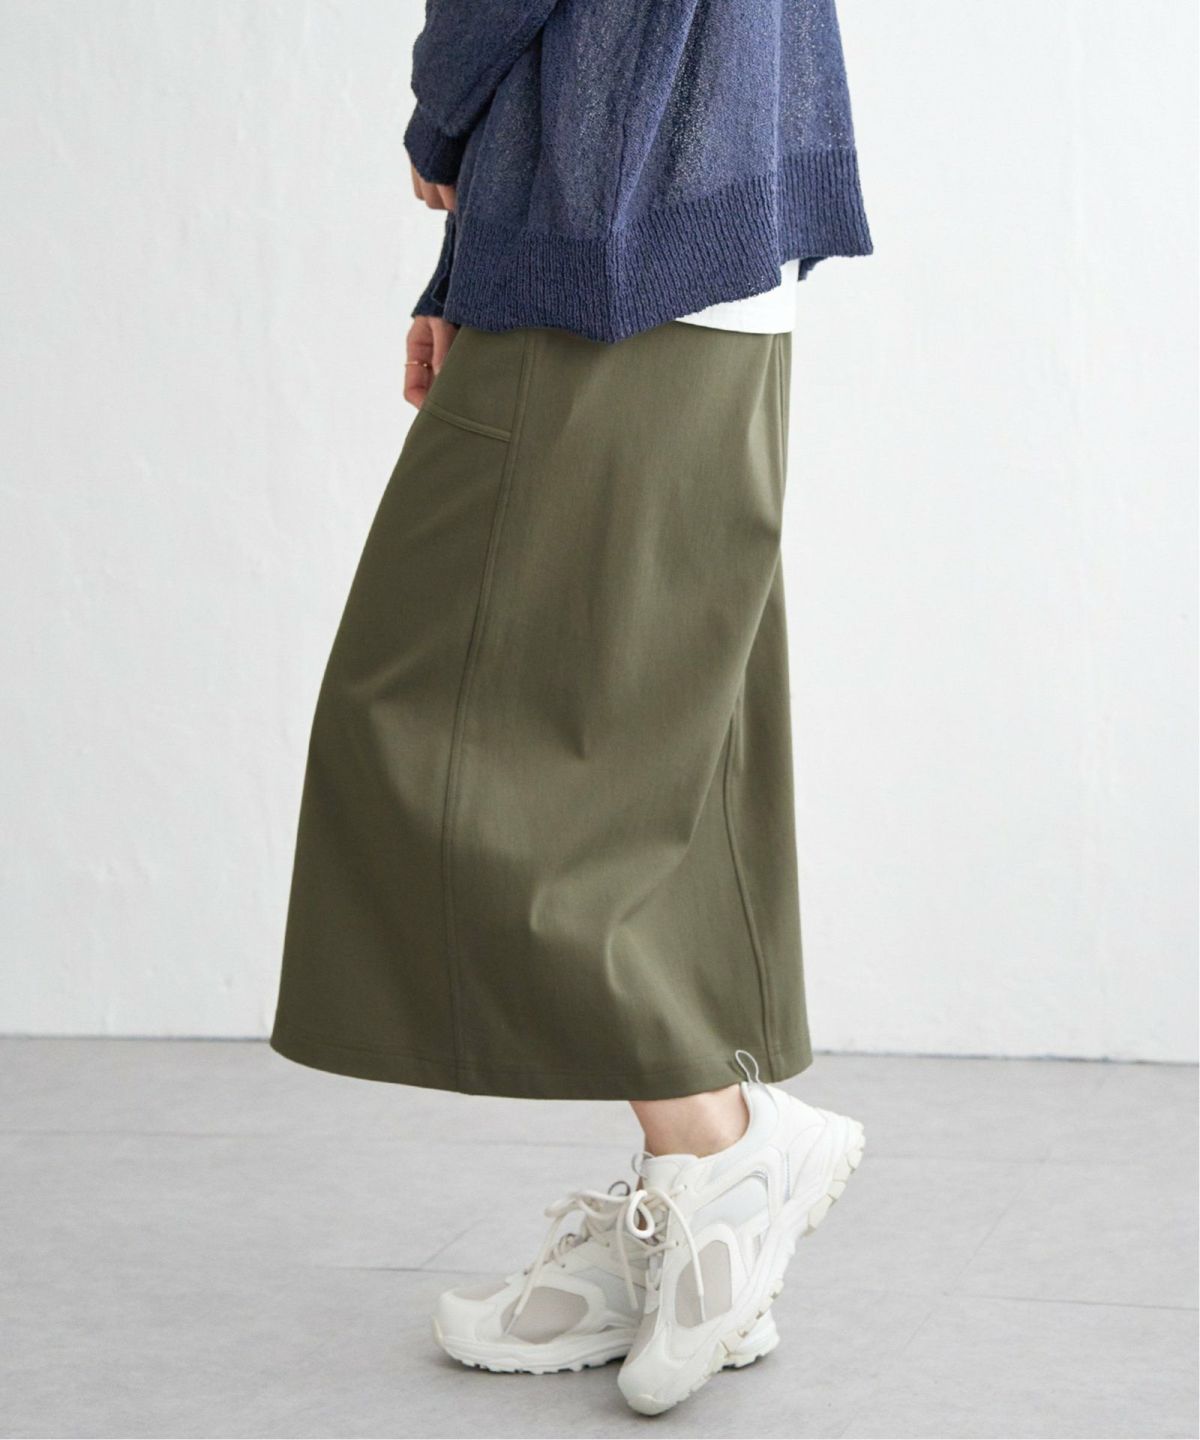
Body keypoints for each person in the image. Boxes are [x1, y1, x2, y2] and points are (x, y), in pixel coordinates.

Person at [271, 0, 872, 1414]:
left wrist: (439, 114)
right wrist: (465, 265)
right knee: (652, 756)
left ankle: (724, 1150)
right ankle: (690, 1208)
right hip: (702, 229)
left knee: (446, 734)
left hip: (623, 236)